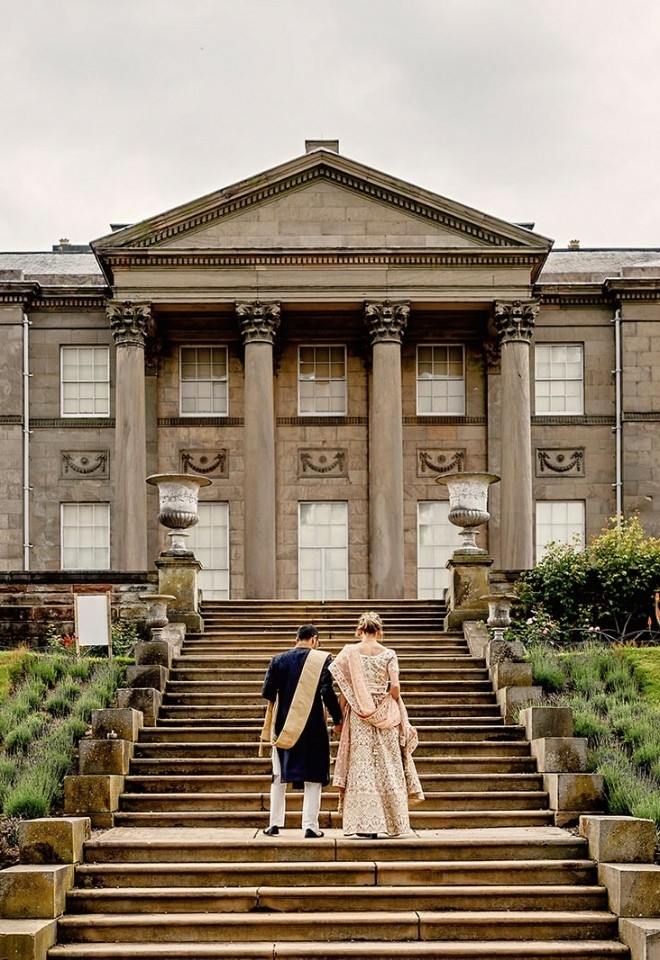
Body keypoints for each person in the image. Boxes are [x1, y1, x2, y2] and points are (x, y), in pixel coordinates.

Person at [329, 610, 424, 838]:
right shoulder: (389, 654)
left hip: (358, 715)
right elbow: (395, 687)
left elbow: (344, 691)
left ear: (359, 631)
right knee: (388, 765)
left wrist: (339, 719)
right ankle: (393, 823)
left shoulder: (349, 652)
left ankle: (365, 825)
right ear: (379, 631)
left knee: (361, 766)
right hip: (385, 714)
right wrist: (389, 702)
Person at [260, 623, 343, 838]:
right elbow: (327, 691)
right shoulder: (322, 659)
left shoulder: (278, 660)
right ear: (314, 639)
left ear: (297, 639)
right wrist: (338, 719)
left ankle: (274, 823)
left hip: (284, 726)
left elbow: (268, 692)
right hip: (313, 726)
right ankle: (310, 826)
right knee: (313, 776)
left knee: (278, 775)